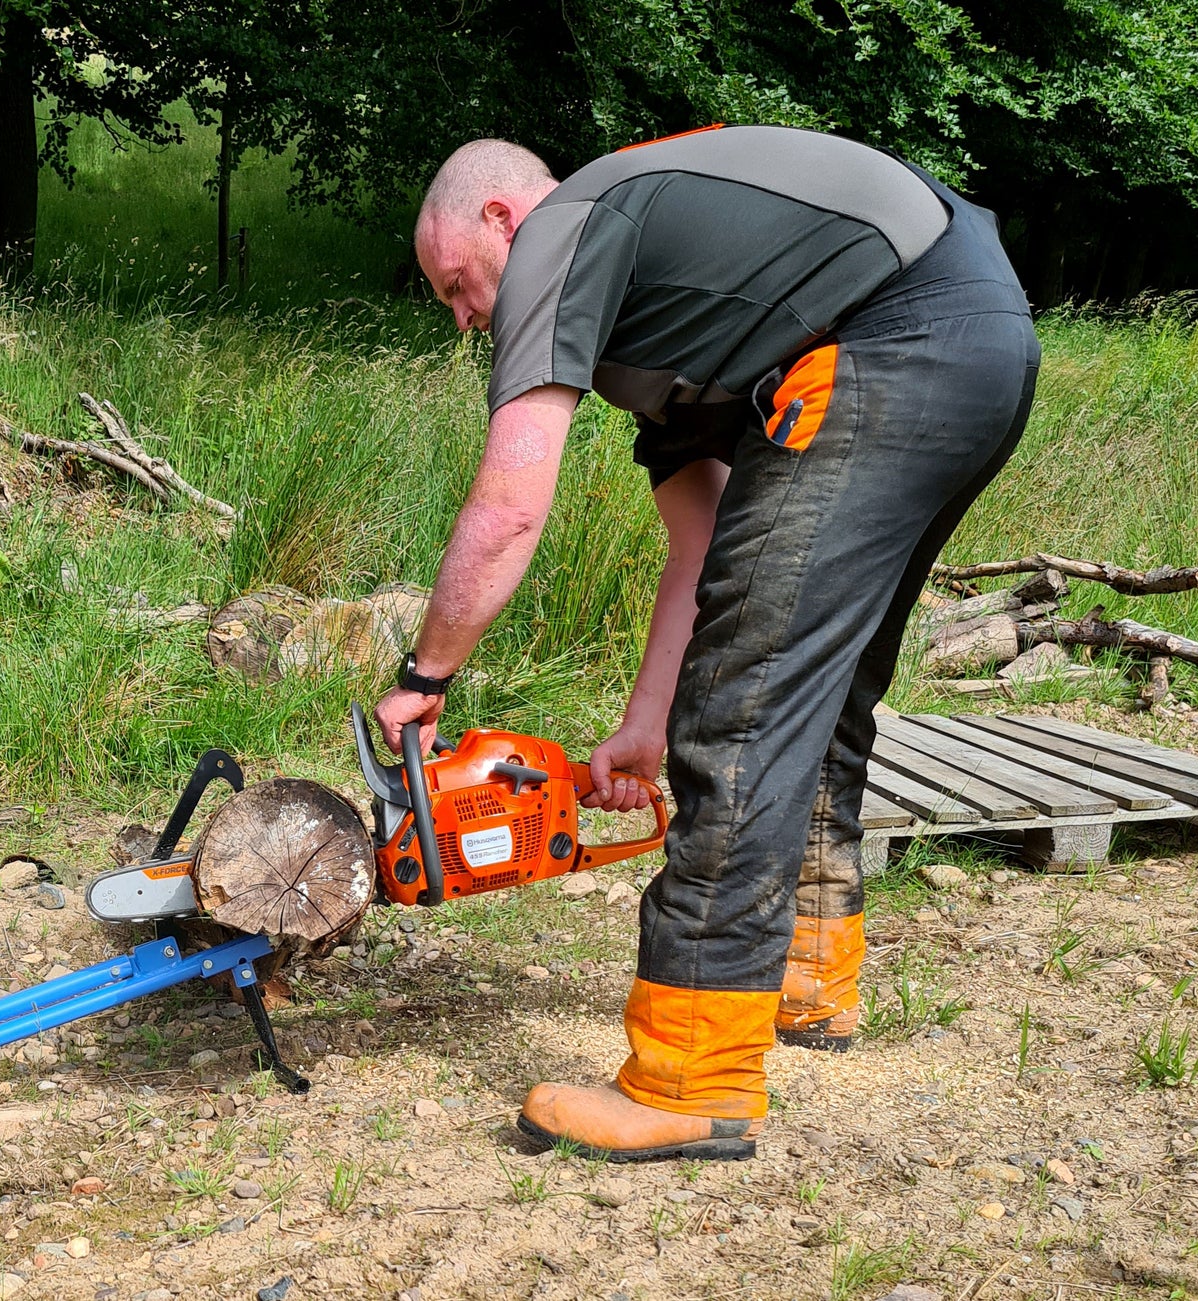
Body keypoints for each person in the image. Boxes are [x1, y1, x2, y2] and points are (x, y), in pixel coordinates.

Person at [372, 125, 1040, 1162]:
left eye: (457, 285)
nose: (463, 319)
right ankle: (806, 977)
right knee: (815, 689)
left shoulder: (565, 226)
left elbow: (508, 508)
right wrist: (644, 726)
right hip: (977, 340)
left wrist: (426, 673)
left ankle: (690, 1076)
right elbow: (705, 552)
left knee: (742, 712)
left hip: (894, 335)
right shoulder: (672, 333)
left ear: (502, 219)